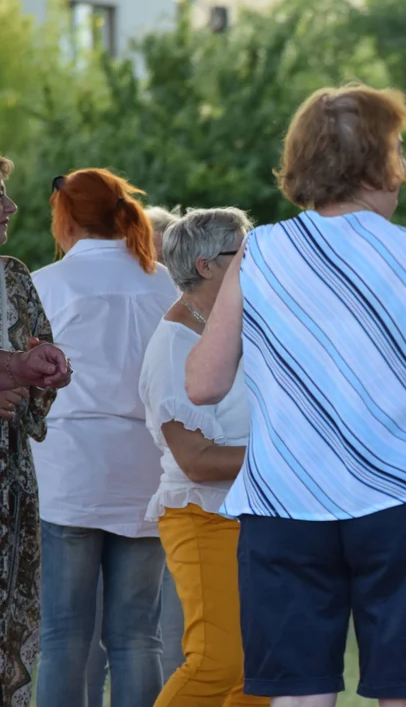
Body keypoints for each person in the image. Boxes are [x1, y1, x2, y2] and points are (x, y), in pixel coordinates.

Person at [185, 83, 406, 706]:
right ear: (381, 162)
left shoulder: (261, 252)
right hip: (404, 501)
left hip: (285, 503)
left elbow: (203, 383)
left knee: (298, 694)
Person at [31, 168, 178, 707]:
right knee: (139, 635)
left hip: (70, 471)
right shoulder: (164, 282)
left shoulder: (46, 284)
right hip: (147, 467)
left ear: (64, 216)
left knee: (63, 636)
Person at [140, 207, 266, 706]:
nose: (255, 261)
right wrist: (286, 455)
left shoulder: (238, 324)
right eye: (244, 252)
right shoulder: (173, 345)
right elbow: (196, 460)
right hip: (201, 515)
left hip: (256, 514)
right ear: (207, 265)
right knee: (217, 662)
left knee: (263, 669)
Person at [0, 153, 63, 707]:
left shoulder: (13, 274)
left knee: (10, 626)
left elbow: (36, 353)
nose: (10, 205)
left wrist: (48, 368)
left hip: (11, 481)